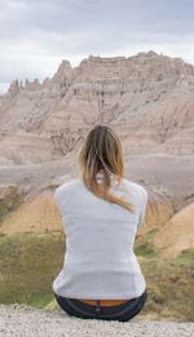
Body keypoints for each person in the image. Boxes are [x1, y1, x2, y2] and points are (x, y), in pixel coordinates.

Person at [52, 124, 148, 322]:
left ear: (83, 154)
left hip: (74, 301)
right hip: (126, 303)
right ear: (119, 155)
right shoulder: (138, 194)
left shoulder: (64, 193)